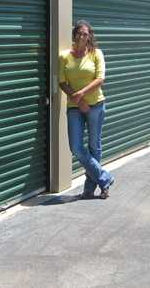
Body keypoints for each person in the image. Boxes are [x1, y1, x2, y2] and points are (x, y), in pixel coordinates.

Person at [58, 20, 114, 199]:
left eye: (86, 33)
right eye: (80, 33)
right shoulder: (64, 56)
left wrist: (80, 94)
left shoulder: (96, 54)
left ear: (90, 36)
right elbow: (61, 81)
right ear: (74, 35)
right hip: (74, 108)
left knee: (94, 146)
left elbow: (100, 79)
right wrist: (77, 99)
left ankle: (90, 190)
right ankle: (104, 178)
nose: (82, 36)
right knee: (75, 147)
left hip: (95, 105)